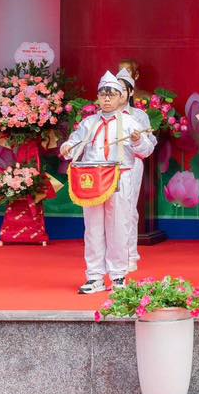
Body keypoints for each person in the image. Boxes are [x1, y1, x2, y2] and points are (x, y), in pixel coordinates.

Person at [61, 70, 156, 294]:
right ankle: (94, 276)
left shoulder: (130, 122)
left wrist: (138, 141)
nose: (106, 99)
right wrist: (67, 147)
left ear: (121, 96)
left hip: (120, 176)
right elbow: (74, 144)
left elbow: (147, 150)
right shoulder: (88, 123)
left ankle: (118, 275)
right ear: (97, 97)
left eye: (111, 94)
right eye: (103, 94)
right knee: (93, 229)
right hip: (93, 179)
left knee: (118, 227)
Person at [116, 64, 148, 272]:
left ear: (130, 92)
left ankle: (130, 254)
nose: (117, 94)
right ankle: (113, 253)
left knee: (128, 208)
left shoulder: (139, 116)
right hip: (108, 166)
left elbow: (148, 145)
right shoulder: (101, 116)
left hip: (132, 164)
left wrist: (138, 140)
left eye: (121, 90)